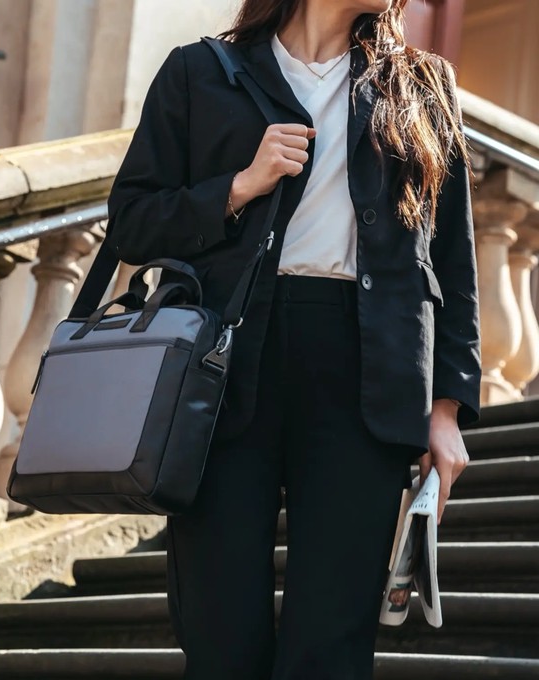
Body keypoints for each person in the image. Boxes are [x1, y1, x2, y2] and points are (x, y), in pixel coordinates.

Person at [105, 0, 481, 677]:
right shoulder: (201, 72)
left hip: (369, 371)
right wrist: (237, 187)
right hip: (222, 368)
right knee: (221, 634)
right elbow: (132, 222)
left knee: (332, 643)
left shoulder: (423, 86)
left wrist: (448, 407)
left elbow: (453, 259)